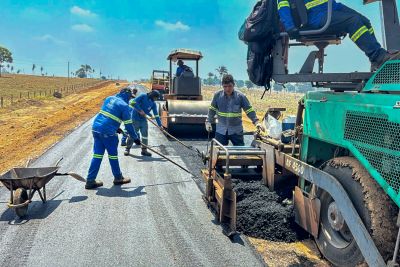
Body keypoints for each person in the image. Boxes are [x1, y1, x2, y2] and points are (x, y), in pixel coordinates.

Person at [277, 0, 400, 70]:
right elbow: (282, 4)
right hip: (314, 17)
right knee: (353, 21)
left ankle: (375, 60)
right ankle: (378, 56)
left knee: (364, 21)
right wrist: (289, 26)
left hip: (331, 7)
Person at [86, 88, 141, 189]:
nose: (129, 99)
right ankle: (118, 177)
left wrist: (116, 127)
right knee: (113, 156)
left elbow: (108, 115)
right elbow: (128, 125)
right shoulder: (124, 106)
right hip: (107, 133)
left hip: (96, 129)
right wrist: (135, 138)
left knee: (97, 155)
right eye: (129, 97)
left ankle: (90, 180)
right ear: (126, 95)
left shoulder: (109, 98)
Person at [205, 74, 264, 146]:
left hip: (236, 131)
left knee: (240, 153)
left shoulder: (241, 97)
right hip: (221, 130)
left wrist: (256, 122)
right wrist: (208, 122)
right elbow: (212, 110)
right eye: (225, 86)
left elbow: (249, 110)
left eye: (230, 86)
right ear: (222, 86)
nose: (227, 89)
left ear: (233, 85)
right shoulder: (217, 96)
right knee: (219, 153)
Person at [124, 90, 162, 157]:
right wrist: (140, 110)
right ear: (152, 95)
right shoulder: (143, 96)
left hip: (143, 120)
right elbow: (133, 103)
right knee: (133, 134)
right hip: (135, 118)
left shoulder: (153, 103)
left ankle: (144, 150)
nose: (156, 99)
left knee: (145, 135)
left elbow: (156, 115)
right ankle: (127, 149)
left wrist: (160, 125)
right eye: (155, 98)